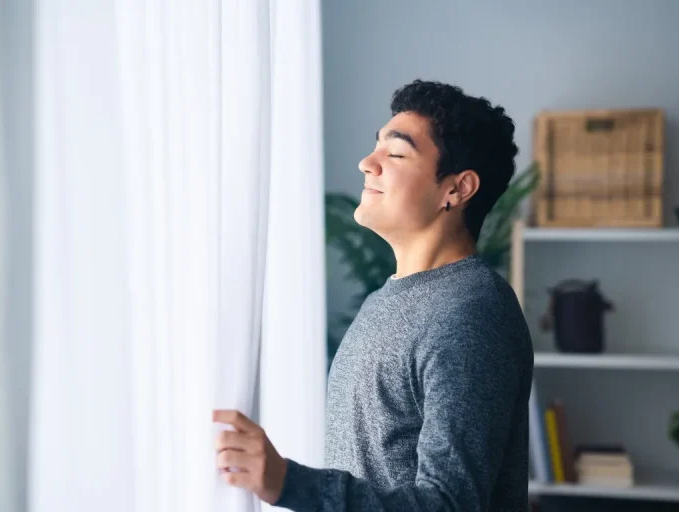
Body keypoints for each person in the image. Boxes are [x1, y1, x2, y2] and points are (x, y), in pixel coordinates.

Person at [213, 79, 534, 511]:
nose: (367, 163)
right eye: (376, 147)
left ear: (457, 189)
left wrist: (289, 483)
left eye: (396, 153)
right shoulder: (388, 301)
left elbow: (451, 504)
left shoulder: (472, 313)